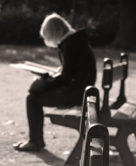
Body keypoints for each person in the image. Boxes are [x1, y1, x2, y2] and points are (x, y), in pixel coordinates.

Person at [13, 13, 96, 151]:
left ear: (53, 32)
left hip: (77, 93)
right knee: (35, 95)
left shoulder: (70, 44)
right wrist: (51, 77)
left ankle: (35, 141)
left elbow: (66, 78)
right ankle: (36, 140)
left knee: (32, 99)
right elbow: (70, 71)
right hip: (83, 90)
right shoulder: (75, 40)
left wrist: (45, 81)